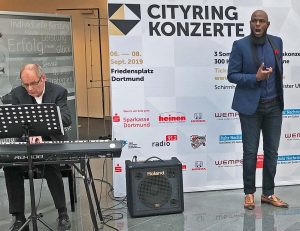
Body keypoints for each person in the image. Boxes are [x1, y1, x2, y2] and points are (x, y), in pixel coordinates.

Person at [227, 10, 288, 210]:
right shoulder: (240, 45)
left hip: (274, 107)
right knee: (250, 152)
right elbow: (232, 75)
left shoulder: (277, 42)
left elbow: (279, 71)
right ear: (250, 23)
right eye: (254, 21)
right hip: (250, 108)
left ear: (267, 24)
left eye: (261, 21)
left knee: (272, 152)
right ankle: (249, 193)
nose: (258, 24)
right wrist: (256, 78)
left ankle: (268, 193)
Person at [3, 64, 72, 230]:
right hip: (27, 142)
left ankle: (62, 213)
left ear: (43, 78)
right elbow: (15, 121)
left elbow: (66, 118)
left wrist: (42, 131)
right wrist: (29, 135)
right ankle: (19, 217)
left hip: (50, 140)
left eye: (33, 83)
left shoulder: (58, 91)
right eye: (25, 84)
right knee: (10, 166)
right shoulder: (17, 93)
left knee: (50, 164)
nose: (29, 88)